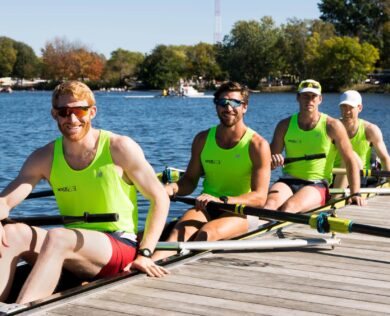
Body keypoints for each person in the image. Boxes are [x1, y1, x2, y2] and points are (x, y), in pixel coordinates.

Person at [0, 81, 170, 304]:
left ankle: (23, 310)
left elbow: (160, 199)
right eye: (64, 112)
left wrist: (146, 252)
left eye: (79, 111)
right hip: (72, 246)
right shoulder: (44, 157)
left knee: (58, 235)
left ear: (92, 112)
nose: (72, 119)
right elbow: (6, 200)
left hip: (119, 245)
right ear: (54, 114)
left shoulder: (119, 147)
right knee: (12, 234)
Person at [153, 81, 271, 261]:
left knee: (206, 234)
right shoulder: (202, 139)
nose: (228, 107)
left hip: (241, 211)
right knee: (177, 235)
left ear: (245, 107)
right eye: (223, 103)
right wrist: (172, 189)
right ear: (216, 106)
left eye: (235, 103)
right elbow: (190, 180)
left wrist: (222, 200)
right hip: (206, 206)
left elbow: (260, 197)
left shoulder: (258, 145)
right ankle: (145, 265)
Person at [264, 79, 365, 213]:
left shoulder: (332, 126)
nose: (309, 100)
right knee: (268, 207)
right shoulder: (284, 125)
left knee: (289, 208)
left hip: (316, 184)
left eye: (313, 96)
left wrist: (355, 193)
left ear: (320, 99)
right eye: (305, 96)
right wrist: (273, 160)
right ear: (298, 98)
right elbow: (267, 164)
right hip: (287, 181)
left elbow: (350, 160)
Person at [332, 90, 390, 188]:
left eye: (351, 107)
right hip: (334, 175)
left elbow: (384, 158)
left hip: (360, 176)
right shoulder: (331, 127)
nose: (347, 111)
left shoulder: (370, 130)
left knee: (351, 156)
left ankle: (335, 199)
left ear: (360, 108)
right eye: (344, 107)